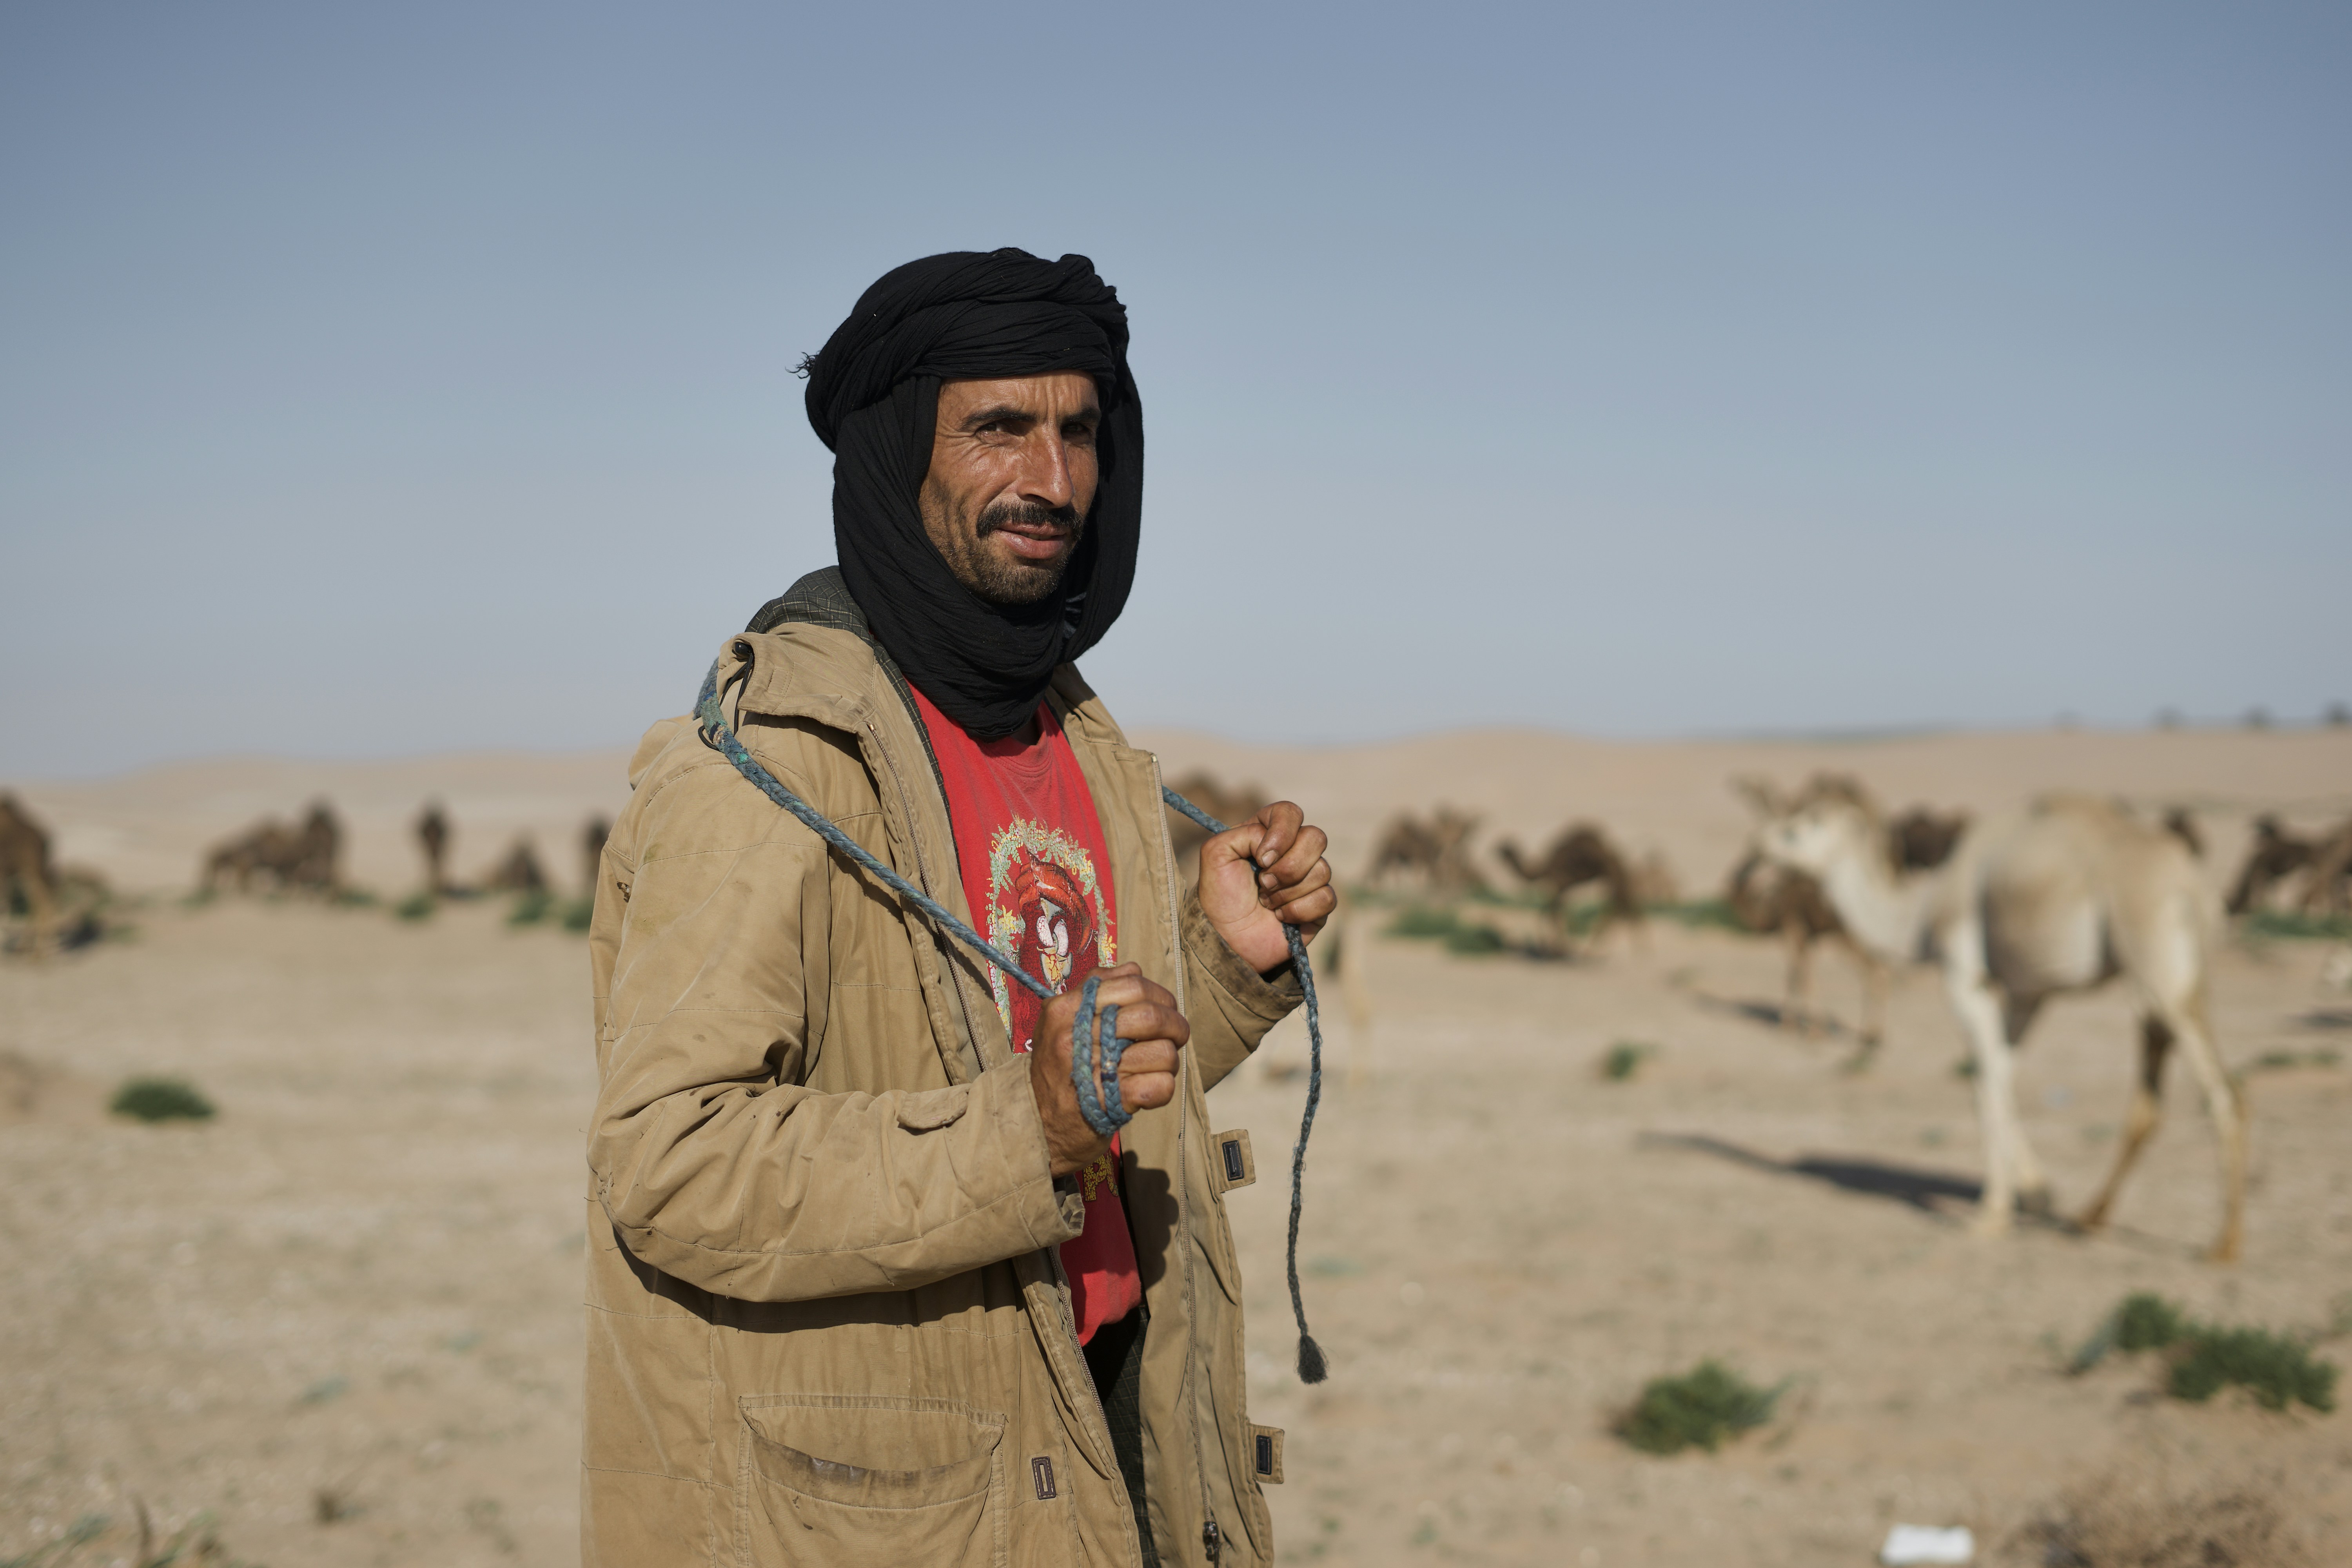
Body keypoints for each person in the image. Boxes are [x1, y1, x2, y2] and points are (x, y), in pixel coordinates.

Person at [582, 249, 1335, 1568]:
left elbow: (1071, 1083)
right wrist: (1024, 1128)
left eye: (1079, 432)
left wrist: (1217, 971)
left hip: (1104, 1417)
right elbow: (672, 1161)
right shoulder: (772, 763)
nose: (1051, 480)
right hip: (886, 1501)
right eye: (999, 429)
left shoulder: (1076, 738)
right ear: (899, 455)